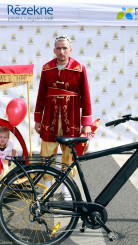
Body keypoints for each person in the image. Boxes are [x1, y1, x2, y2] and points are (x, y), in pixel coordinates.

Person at [34, 35, 93, 200]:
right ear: (54, 50)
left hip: (71, 117)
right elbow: (41, 95)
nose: (61, 51)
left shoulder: (79, 68)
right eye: (58, 48)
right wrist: (38, 118)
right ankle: (46, 186)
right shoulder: (47, 69)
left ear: (70, 50)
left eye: (64, 48)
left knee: (69, 152)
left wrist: (86, 123)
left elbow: (86, 97)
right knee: (47, 151)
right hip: (50, 118)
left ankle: (66, 187)